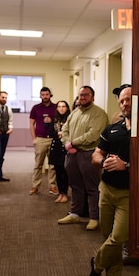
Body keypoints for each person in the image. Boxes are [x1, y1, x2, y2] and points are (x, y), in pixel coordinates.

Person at [87, 85, 139, 276]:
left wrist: (125, 166)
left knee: (118, 238)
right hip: (106, 190)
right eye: (121, 101)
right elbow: (95, 155)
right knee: (109, 238)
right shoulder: (112, 129)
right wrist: (104, 162)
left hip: (129, 195)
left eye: (128, 100)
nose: (124, 104)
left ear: (138, 102)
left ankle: (96, 265)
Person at [57, 86, 109, 230]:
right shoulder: (74, 112)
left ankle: (94, 218)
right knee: (75, 186)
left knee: (91, 188)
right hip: (72, 155)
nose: (83, 98)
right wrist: (67, 143)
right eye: (81, 95)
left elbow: (93, 135)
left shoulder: (99, 114)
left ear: (93, 97)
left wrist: (73, 142)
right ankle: (74, 214)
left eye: (86, 95)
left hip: (88, 154)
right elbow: (64, 130)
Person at [28, 86, 58, 195]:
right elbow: (31, 123)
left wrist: (52, 121)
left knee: (52, 164)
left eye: (47, 94)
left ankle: (52, 186)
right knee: (38, 164)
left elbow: (60, 122)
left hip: (53, 138)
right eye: (43, 95)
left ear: (50, 95)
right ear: (40, 96)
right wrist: (34, 138)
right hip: (40, 139)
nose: (45, 96)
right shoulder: (36, 108)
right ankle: (35, 186)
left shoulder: (55, 107)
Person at [50, 100, 71, 203]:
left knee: (65, 172)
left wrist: (63, 134)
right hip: (56, 148)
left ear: (67, 108)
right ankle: (60, 193)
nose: (61, 108)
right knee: (58, 172)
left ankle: (65, 193)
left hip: (65, 148)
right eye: (59, 106)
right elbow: (50, 133)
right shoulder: (54, 119)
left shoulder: (70, 119)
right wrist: (58, 133)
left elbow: (72, 132)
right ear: (57, 108)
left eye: (63, 106)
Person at [0, 90, 13, 182]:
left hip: (5, 134)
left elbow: (10, 120)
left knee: (1, 155)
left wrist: (10, 128)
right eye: (2, 97)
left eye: (6, 98)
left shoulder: (8, 108)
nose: (4, 99)